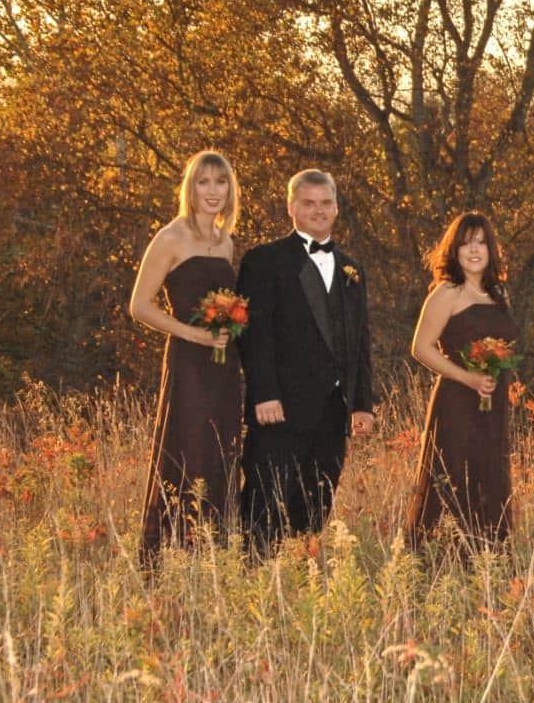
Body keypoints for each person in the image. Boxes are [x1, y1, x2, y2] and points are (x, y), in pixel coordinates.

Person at [236, 169, 377, 555]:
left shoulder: (352, 269)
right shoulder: (264, 261)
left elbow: (360, 340)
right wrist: (264, 393)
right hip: (279, 408)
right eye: (309, 203)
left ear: (336, 207)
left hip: (333, 411)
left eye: (326, 203)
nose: (318, 210)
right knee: (266, 501)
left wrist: (362, 403)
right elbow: (255, 333)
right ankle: (257, 583)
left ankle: (302, 576)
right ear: (291, 207)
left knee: (316, 503)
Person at [129, 150, 245, 565]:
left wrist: (227, 329)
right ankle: (170, 554)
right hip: (188, 364)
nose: (213, 191)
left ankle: (211, 552)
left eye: (221, 182)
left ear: (230, 189)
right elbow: (139, 306)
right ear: (190, 188)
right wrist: (193, 333)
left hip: (223, 367)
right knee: (188, 447)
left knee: (221, 450)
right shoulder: (171, 237)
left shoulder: (225, 241)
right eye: (204, 182)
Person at [402, 212, 518, 550]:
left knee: (489, 473)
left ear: (491, 248)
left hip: (492, 403)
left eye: (481, 242)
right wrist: (467, 378)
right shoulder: (447, 292)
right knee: (453, 473)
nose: (474, 250)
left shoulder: (499, 293)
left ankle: (487, 556)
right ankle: (437, 556)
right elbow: (420, 348)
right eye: (466, 243)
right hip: (457, 400)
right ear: (454, 249)